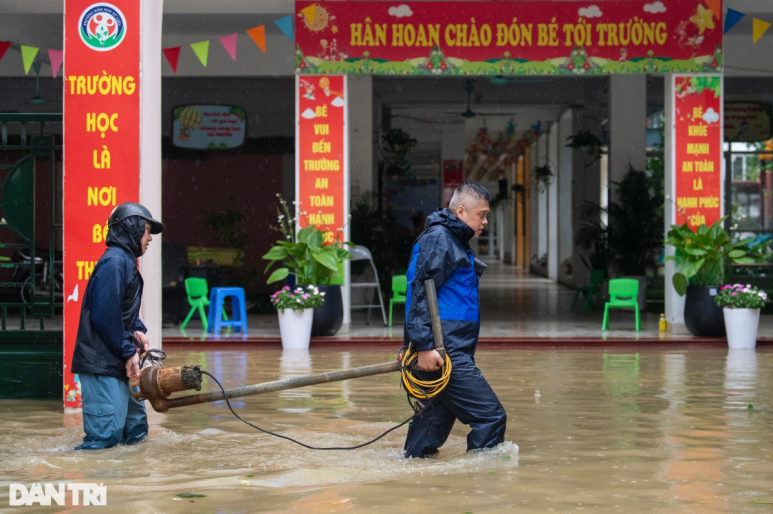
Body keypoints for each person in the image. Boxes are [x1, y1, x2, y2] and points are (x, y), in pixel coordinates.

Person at [403, 183, 507, 458]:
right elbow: (419, 294)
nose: (485, 222)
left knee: (426, 437)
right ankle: (485, 487)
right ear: (461, 211)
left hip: (448, 350)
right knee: (491, 418)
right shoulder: (440, 239)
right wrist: (424, 347)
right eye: (481, 215)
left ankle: (412, 482)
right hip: (444, 352)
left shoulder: (453, 240)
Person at [71, 202, 164, 450]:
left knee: (135, 433)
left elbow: (122, 311)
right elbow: (104, 314)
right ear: (132, 230)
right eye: (146, 230)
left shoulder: (124, 261)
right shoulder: (114, 262)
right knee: (105, 439)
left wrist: (138, 331)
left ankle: (129, 487)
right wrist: (126, 350)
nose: (149, 238)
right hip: (103, 363)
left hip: (119, 359)